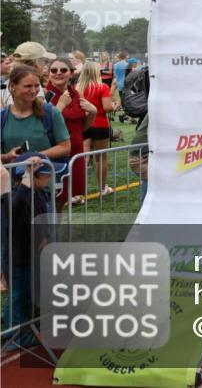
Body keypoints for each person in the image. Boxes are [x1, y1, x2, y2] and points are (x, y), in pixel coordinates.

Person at [1, 155, 54, 350]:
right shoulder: (17, 197)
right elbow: (16, 206)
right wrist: (27, 177)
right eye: (47, 174)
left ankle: (11, 325)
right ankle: (14, 338)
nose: (50, 178)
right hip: (18, 258)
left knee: (24, 293)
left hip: (30, 254)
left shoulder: (39, 192)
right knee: (19, 295)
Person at [44, 57, 96, 207]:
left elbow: (80, 128)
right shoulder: (45, 95)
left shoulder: (75, 94)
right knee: (51, 200)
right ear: (48, 74)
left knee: (62, 200)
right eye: (53, 70)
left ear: (71, 73)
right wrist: (60, 106)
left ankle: (54, 231)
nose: (58, 73)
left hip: (76, 153)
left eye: (63, 70)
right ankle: (47, 230)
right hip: (57, 155)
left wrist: (93, 113)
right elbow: (44, 127)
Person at [77, 61, 116, 200]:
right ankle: (102, 188)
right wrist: (114, 106)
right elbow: (107, 107)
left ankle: (77, 193)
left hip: (83, 125)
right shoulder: (102, 87)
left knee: (82, 158)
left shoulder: (77, 88)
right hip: (100, 125)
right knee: (101, 158)